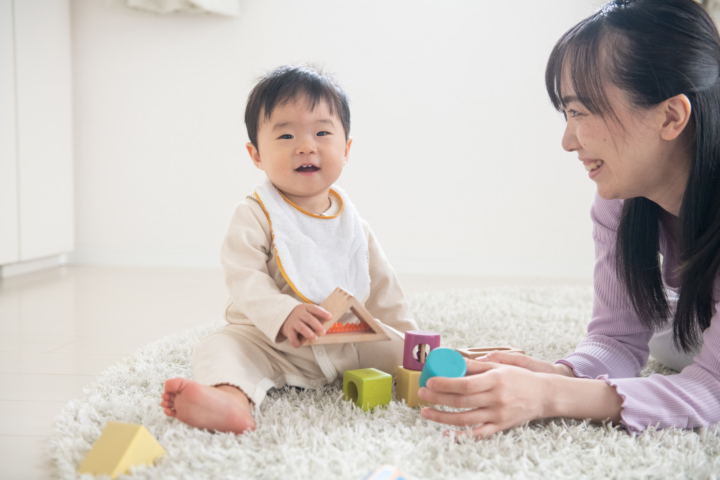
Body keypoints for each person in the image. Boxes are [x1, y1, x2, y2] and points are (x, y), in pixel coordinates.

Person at [419, 0, 720, 437]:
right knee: (671, 337)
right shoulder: (621, 199)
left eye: (580, 112)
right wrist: (556, 373)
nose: (567, 140)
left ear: (670, 116)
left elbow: (712, 391)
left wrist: (548, 396)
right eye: (567, 113)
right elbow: (616, 339)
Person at [161, 65, 417, 434]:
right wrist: (283, 313)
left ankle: (444, 377)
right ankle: (230, 401)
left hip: (348, 343)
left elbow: (383, 288)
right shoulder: (255, 213)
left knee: (405, 348)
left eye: (322, 132)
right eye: (285, 135)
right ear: (256, 155)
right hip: (272, 342)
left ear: (346, 149)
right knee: (219, 347)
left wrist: (410, 343)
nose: (306, 146)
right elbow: (243, 276)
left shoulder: (353, 225)